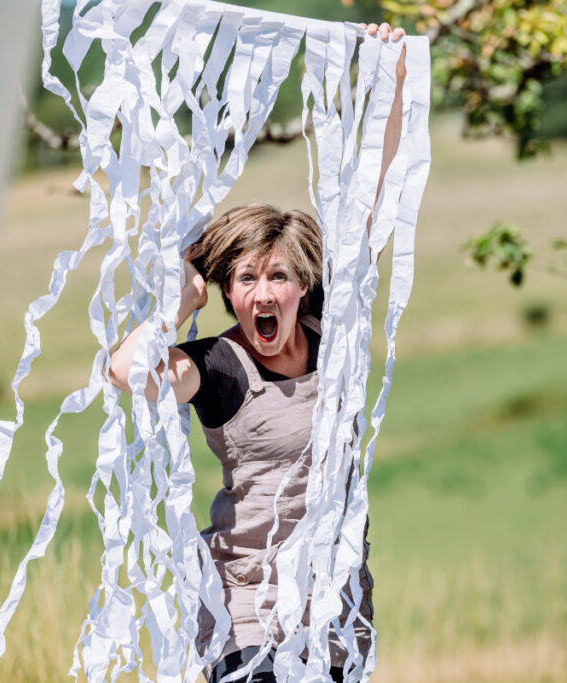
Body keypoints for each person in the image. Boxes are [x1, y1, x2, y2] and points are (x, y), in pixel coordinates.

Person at [108, 21, 407, 683]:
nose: (263, 293)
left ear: (303, 286)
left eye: (278, 276)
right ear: (228, 292)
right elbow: (127, 371)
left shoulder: (330, 337)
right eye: (246, 279)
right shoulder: (218, 366)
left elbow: (373, 203)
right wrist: (179, 302)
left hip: (337, 615)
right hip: (248, 619)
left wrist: (392, 78)